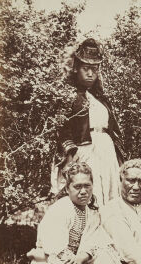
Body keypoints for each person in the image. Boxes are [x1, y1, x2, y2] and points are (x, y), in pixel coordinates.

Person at [51, 38, 125, 207]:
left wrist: (121, 162)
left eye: (94, 69)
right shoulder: (69, 96)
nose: (91, 73)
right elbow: (62, 129)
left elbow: (113, 131)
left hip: (107, 152)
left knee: (110, 196)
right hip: (84, 152)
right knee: (89, 194)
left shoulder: (101, 99)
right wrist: (70, 155)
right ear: (76, 68)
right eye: (86, 69)